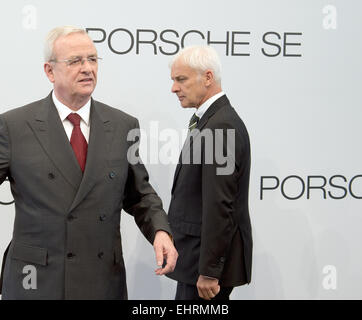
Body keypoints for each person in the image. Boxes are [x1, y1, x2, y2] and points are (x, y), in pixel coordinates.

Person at [0, 26, 177, 300]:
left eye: (92, 59)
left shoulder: (122, 125)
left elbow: (139, 194)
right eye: (75, 61)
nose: (87, 68)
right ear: (49, 71)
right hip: (36, 280)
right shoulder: (13, 126)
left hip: (101, 280)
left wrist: (161, 231)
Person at [166, 45, 252, 300]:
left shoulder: (220, 126)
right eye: (173, 80)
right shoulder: (211, 121)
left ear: (207, 77)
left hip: (205, 271)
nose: (174, 88)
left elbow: (219, 204)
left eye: (181, 79)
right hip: (196, 262)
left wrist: (210, 272)